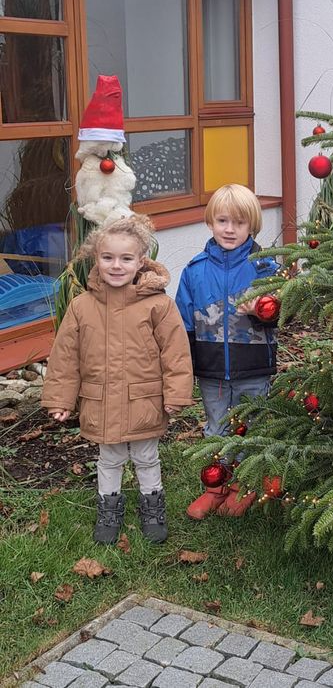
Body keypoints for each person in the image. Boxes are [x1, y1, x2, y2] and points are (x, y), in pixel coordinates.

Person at [41, 215, 193, 544]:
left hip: (144, 399)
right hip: (102, 400)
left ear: (141, 261)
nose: (116, 265)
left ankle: (152, 506)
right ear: (96, 258)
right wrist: (60, 399)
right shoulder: (82, 307)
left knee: (145, 456)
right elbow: (65, 357)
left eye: (126, 258)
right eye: (107, 257)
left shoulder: (158, 305)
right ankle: (108, 509)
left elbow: (175, 353)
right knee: (109, 458)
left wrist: (176, 395)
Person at [176, 184, 279, 520]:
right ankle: (215, 487)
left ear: (252, 226)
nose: (230, 229)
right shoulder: (195, 270)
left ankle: (245, 485)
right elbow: (183, 322)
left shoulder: (264, 267)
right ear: (210, 223)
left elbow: (284, 310)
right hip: (211, 369)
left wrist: (260, 311)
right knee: (216, 426)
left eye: (239, 223)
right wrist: (186, 364)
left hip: (253, 367)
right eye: (222, 221)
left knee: (250, 426)